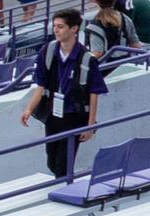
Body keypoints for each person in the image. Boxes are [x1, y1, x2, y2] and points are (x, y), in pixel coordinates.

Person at [19, 9, 107, 178]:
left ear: (74, 29)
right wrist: (29, 109)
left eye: (61, 27)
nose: (56, 30)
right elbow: (41, 85)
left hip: (74, 117)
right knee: (52, 161)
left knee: (63, 165)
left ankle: (64, 191)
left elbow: (94, 93)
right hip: (52, 115)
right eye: (55, 26)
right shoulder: (48, 51)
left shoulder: (86, 59)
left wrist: (90, 125)